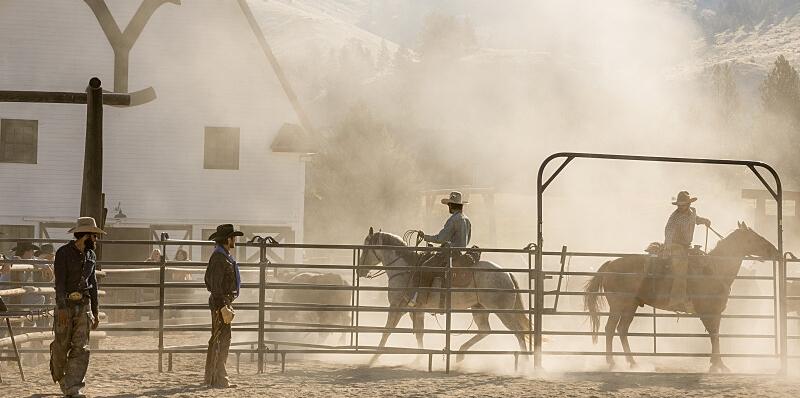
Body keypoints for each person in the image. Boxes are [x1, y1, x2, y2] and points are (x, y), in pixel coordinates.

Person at [50, 217, 104, 397]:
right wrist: (62, 306)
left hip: (84, 305)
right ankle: (60, 376)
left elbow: (93, 284)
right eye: (94, 236)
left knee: (81, 347)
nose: (96, 240)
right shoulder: (63, 253)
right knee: (61, 345)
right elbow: (60, 282)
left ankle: (73, 387)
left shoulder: (91, 256)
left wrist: (95, 312)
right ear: (86, 236)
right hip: (65, 304)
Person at [408, 191, 472, 308]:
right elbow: (465, 241)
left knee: (425, 267)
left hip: (450, 253)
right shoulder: (466, 219)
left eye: (449, 205)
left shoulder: (453, 220)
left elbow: (441, 238)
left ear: (452, 206)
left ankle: (420, 300)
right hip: (460, 253)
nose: (448, 207)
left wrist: (425, 237)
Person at [203, 224, 242, 389]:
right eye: (234, 237)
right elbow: (214, 284)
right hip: (221, 302)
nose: (235, 240)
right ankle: (219, 378)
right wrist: (222, 306)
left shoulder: (221, 256)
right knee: (222, 340)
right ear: (228, 239)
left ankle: (213, 377)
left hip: (223, 301)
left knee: (219, 339)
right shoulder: (220, 258)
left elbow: (209, 281)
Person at [663, 191, 711, 313]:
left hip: (686, 246)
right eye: (679, 205)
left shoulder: (692, 212)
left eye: (683, 204)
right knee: (681, 269)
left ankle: (697, 295)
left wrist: (704, 220)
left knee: (701, 261)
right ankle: (676, 301)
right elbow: (668, 231)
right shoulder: (675, 217)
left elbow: (695, 219)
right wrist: (668, 247)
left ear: (688, 204)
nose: (680, 207)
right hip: (675, 245)